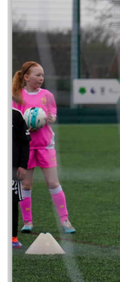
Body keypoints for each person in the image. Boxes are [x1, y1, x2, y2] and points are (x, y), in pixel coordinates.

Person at [11, 62, 76, 234]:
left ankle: (65, 220)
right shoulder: (17, 96)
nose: (41, 78)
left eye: (42, 75)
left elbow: (52, 114)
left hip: (46, 145)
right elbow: (15, 120)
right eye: (37, 75)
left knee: (53, 182)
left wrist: (49, 118)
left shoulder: (47, 95)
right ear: (26, 77)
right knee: (26, 184)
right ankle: (27, 222)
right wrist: (25, 126)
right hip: (26, 147)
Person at [12, 98, 31, 248]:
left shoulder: (16, 115)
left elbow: (25, 143)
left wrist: (23, 165)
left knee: (12, 203)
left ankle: (13, 238)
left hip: (13, 170)